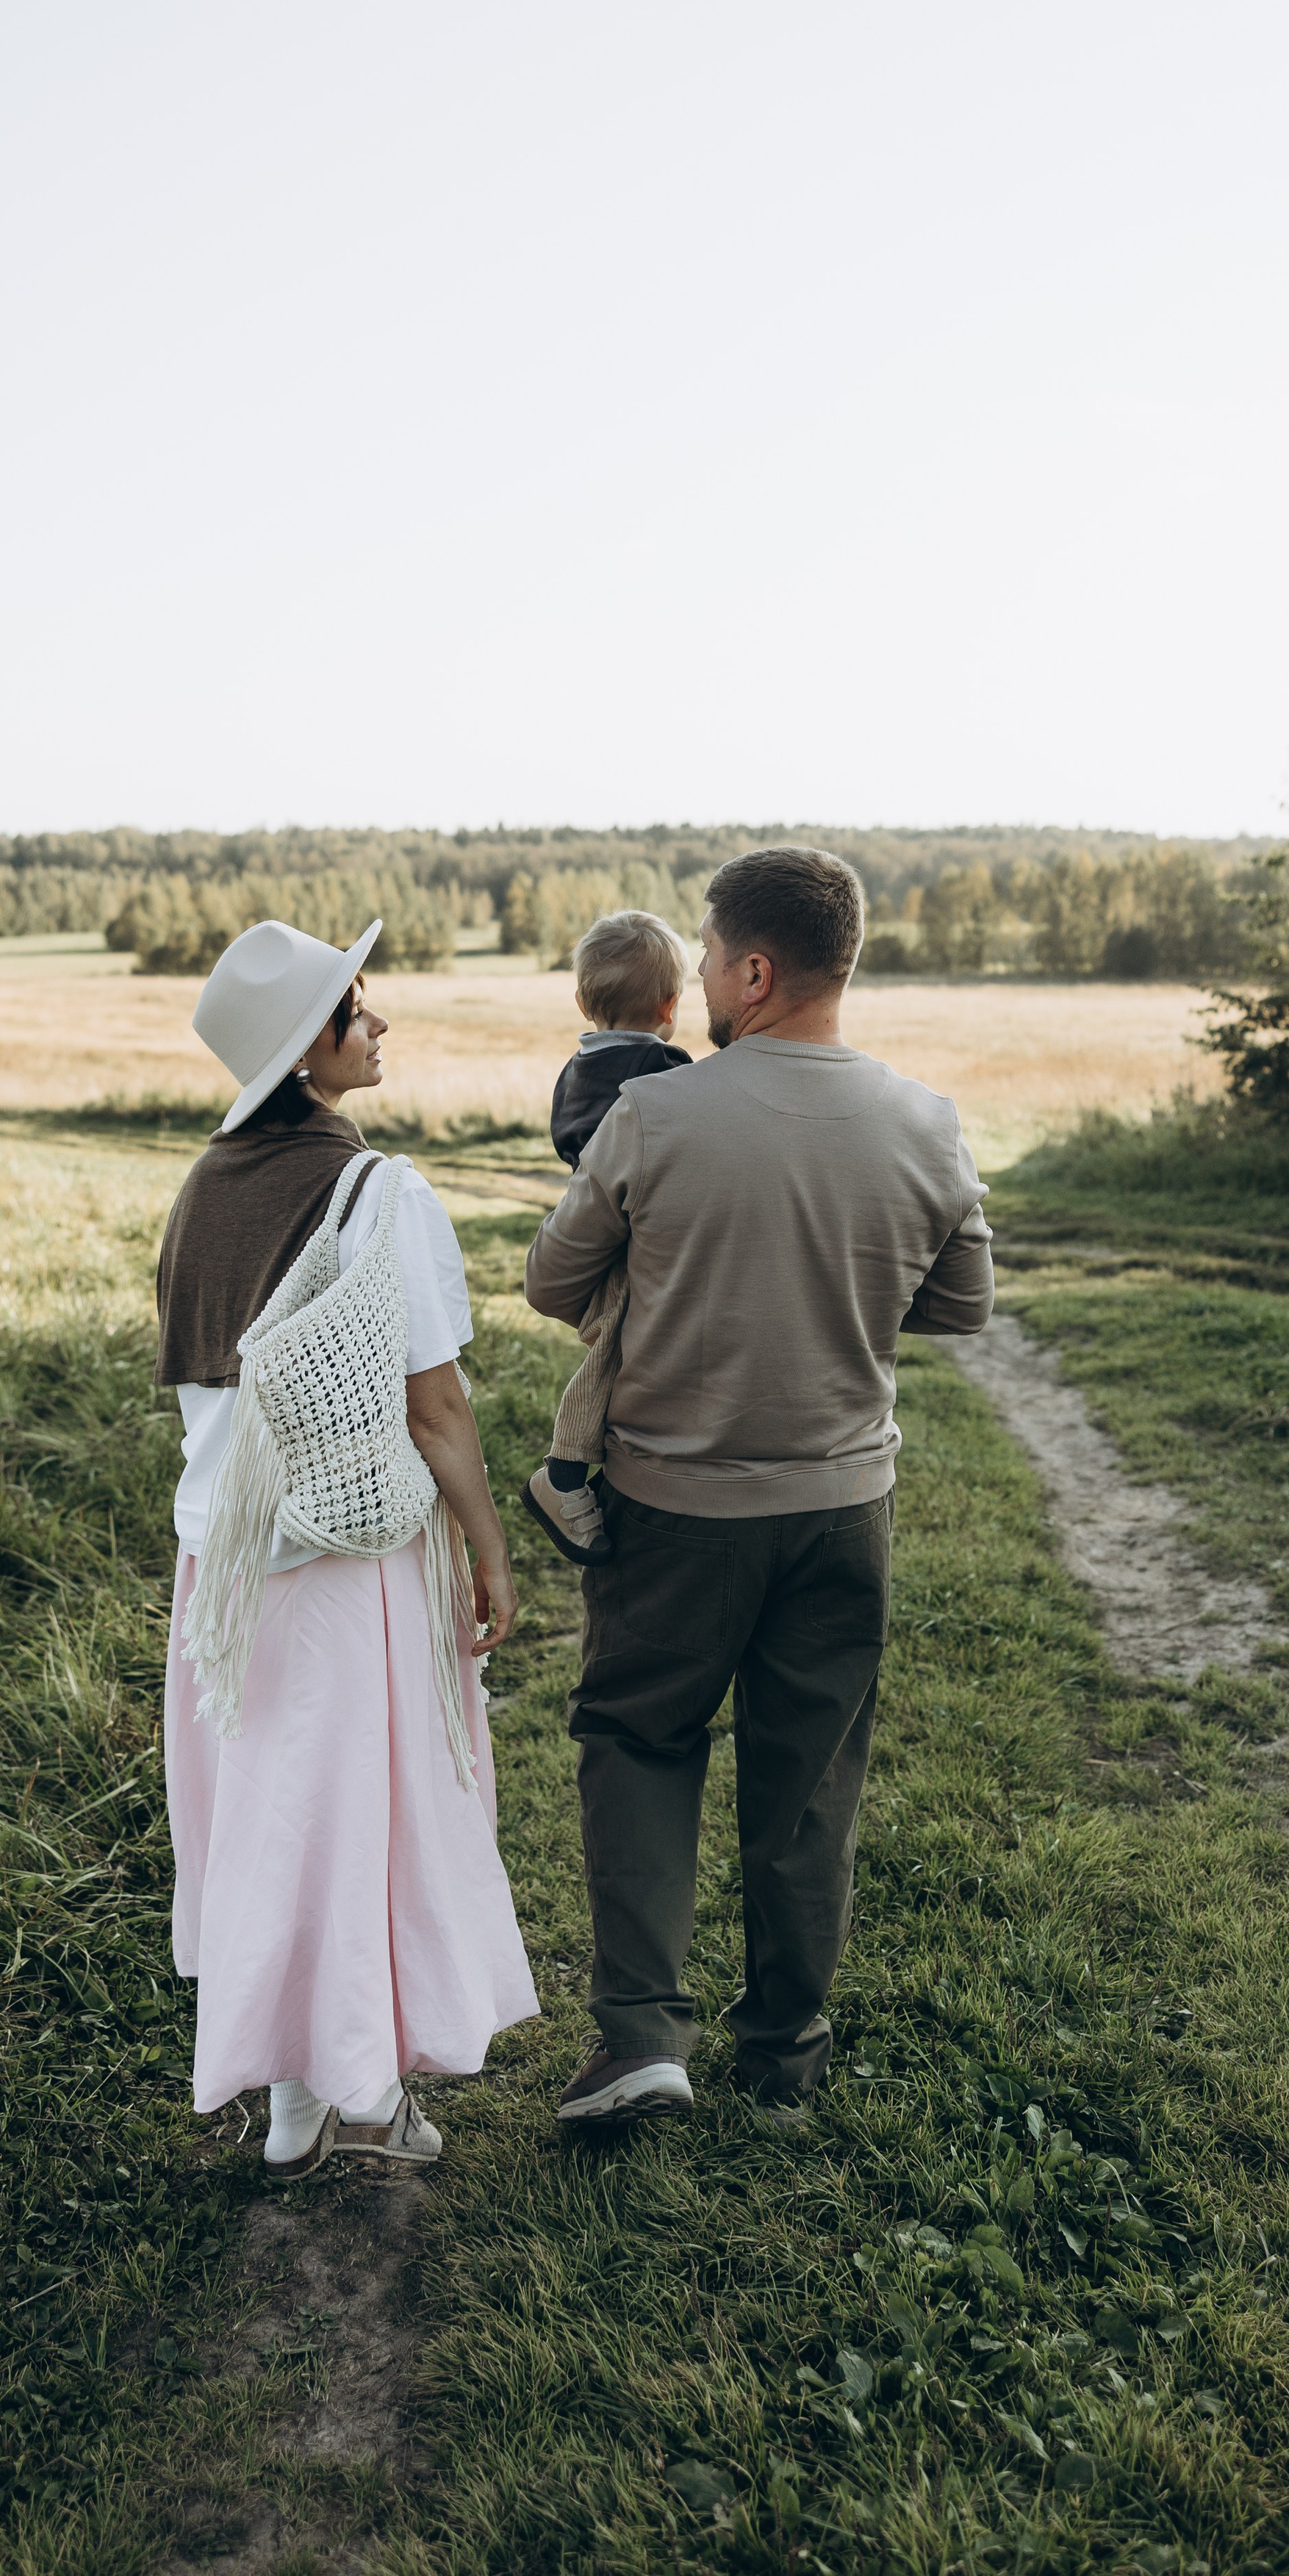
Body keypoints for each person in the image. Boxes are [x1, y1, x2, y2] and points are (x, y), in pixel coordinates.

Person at [524, 847, 994, 2131]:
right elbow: (961, 1305)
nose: (701, 977)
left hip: (673, 1509)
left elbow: (554, 1282)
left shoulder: (653, 1116)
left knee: (640, 1741)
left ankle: (641, 2040)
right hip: (844, 1513)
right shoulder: (928, 1122)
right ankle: (785, 2060)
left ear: (753, 970)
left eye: (710, 954)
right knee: (810, 1781)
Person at [157, 915, 537, 2176]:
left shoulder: (199, 1194)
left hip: (221, 1570)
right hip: (345, 1561)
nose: (377, 1023)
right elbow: (436, 1407)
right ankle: (369, 2091)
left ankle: (292, 2102)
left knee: (271, 1825)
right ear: (307, 1051)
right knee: (364, 1818)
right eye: (352, 1009)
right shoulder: (381, 1192)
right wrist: (488, 1545)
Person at [521, 909, 692, 1570]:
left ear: (582, 1001)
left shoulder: (576, 1068)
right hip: (634, 1229)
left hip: (599, 1214)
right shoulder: (664, 1068)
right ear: (671, 1005)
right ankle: (562, 1475)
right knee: (613, 1348)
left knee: (620, 1341)